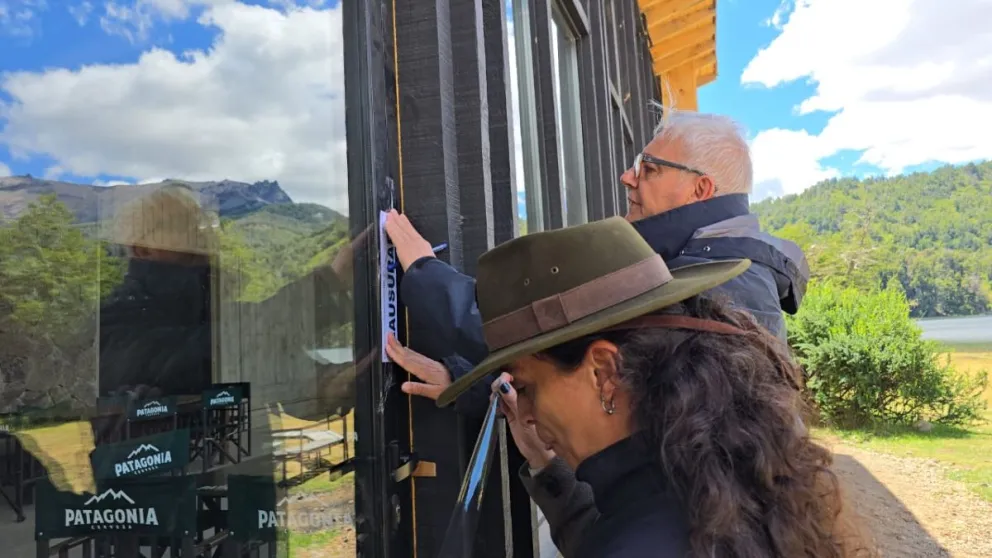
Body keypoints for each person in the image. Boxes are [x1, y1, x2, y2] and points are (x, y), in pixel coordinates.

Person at [432, 217, 873, 558]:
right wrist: (548, 468)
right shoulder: (720, 481)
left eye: (526, 386)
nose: (524, 414)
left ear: (604, 372)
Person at [385, 108, 809, 412]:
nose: (628, 176)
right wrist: (473, 385)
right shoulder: (725, 267)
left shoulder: (709, 282)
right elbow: (616, 385)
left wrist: (423, 271)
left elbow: (544, 330)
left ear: (700, 190)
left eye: (649, 167)